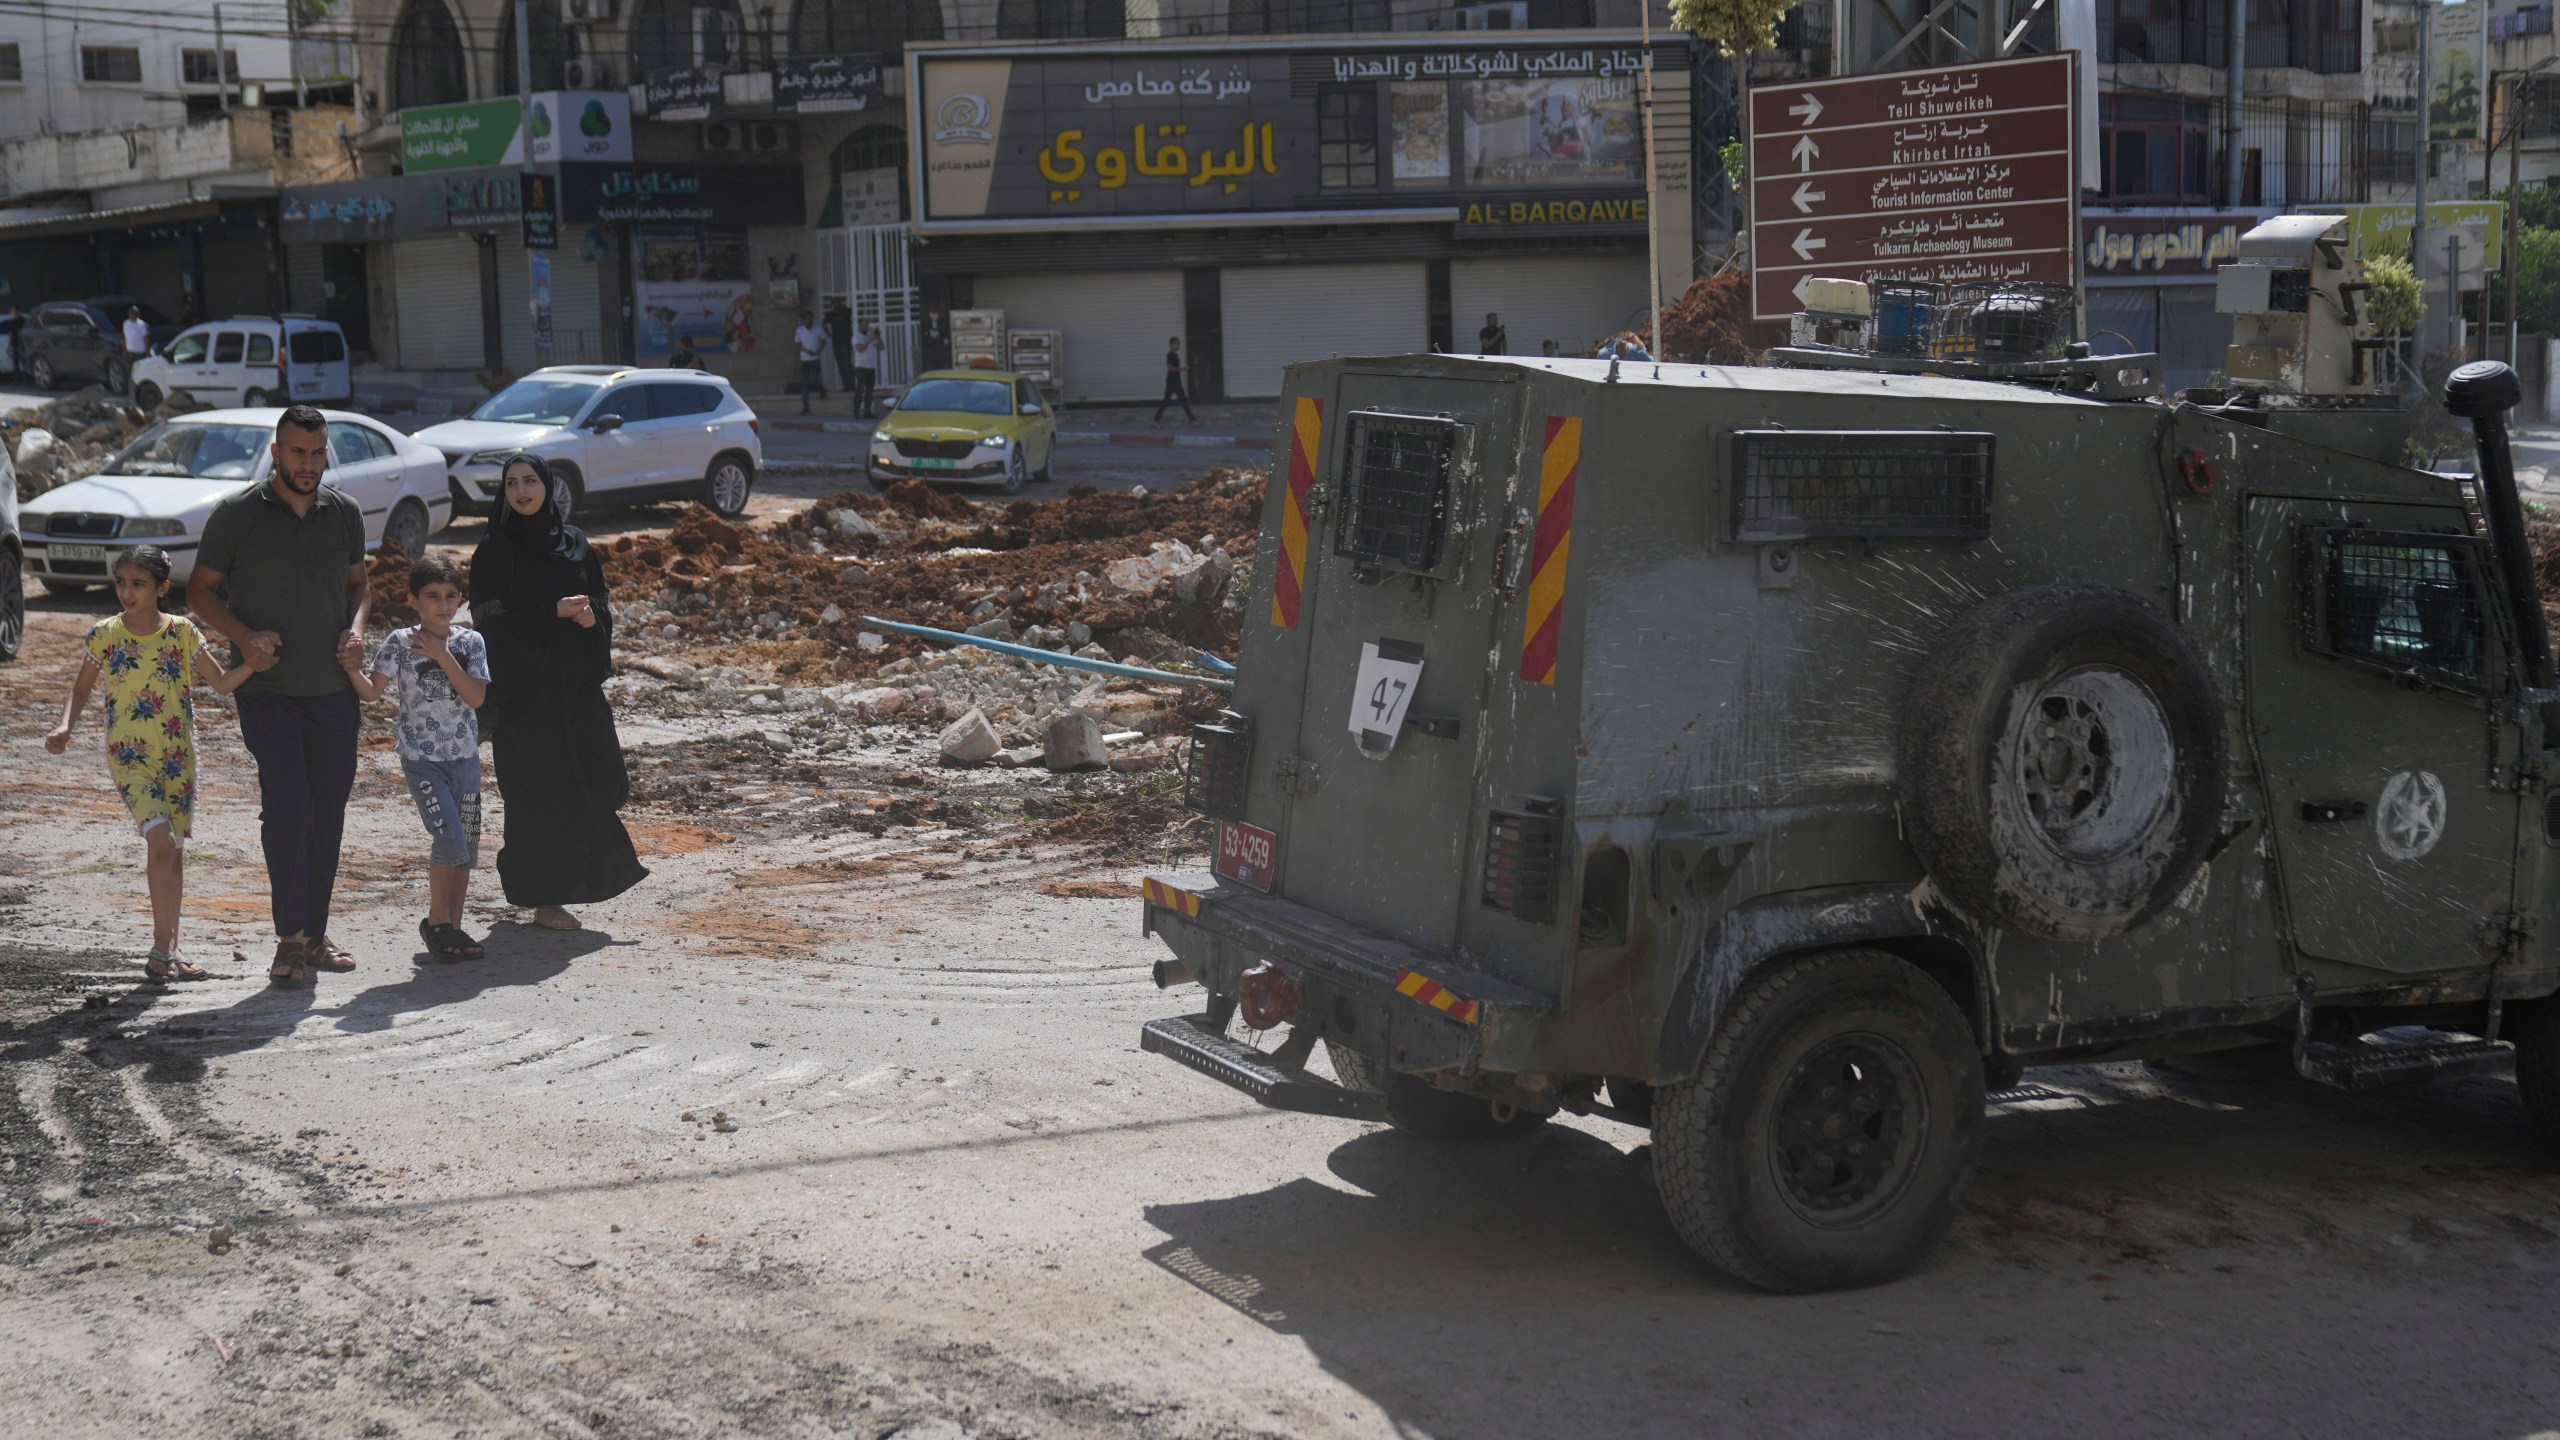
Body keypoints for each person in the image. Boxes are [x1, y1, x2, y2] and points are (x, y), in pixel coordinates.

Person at [187, 404, 371, 988]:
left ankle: (314, 934)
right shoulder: (237, 514)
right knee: (289, 808)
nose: (309, 464)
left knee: (328, 813)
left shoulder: (343, 512)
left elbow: (359, 584)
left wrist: (359, 629)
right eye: (298, 452)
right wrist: (242, 637)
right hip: (268, 691)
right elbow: (199, 592)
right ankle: (289, 941)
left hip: (334, 692)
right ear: (275, 452)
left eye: (318, 453)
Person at [44, 545, 254, 982]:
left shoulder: (183, 632)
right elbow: (80, 690)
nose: (126, 592)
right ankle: (162, 948)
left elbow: (220, 682)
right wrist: (65, 726)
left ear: (161, 588)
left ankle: (169, 950)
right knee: (160, 843)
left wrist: (256, 662)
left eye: (137, 583)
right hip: (129, 758)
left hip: (178, 757)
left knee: (173, 850)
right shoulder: (103, 635)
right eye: (121, 582)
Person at [469, 454, 647, 930]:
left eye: (530, 481)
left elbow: (601, 602)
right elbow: (488, 626)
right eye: (511, 483)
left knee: (596, 779)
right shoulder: (495, 551)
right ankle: (545, 899)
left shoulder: (574, 543)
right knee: (537, 795)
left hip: (575, 690)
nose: (521, 491)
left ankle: (579, 880)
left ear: (547, 486)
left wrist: (592, 620)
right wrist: (552, 612)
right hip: (527, 699)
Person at [341, 555, 490, 961]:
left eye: (451, 596)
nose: (443, 605)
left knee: (467, 848)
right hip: (422, 761)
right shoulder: (399, 642)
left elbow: (476, 697)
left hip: (465, 760)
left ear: (461, 599)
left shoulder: (469, 643)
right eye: (432, 596)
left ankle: (454, 930)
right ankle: (436, 922)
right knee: (449, 839)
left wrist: (443, 656)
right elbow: (372, 692)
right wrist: (351, 668)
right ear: (413, 600)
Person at [1155, 336, 1196, 424]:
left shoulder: (1176, 355)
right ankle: (1156, 420)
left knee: (1183, 400)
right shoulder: (1169, 355)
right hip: (1171, 381)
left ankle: (1192, 420)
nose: (1179, 345)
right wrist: (1182, 369)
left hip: (1177, 381)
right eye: (1177, 343)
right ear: (1172, 344)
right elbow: (1170, 368)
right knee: (1166, 401)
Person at [793, 309, 827, 413]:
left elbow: (824, 340)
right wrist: (807, 351)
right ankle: (806, 406)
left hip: (815, 359)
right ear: (803, 320)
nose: (809, 320)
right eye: (807, 319)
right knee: (805, 383)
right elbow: (797, 344)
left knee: (813, 379)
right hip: (805, 359)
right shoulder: (800, 330)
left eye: (810, 318)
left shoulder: (817, 329)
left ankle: (822, 390)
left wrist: (819, 350)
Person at [850, 319, 882, 418]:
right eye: (864, 325)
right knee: (860, 390)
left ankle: (867, 412)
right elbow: (860, 349)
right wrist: (870, 339)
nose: (865, 328)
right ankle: (856, 411)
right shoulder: (856, 336)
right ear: (859, 326)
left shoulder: (870, 337)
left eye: (867, 326)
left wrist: (878, 337)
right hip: (861, 367)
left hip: (871, 367)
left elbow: (881, 347)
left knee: (869, 391)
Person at [824, 300, 854, 404]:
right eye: (833, 303)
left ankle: (852, 385)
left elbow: (858, 312)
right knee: (841, 365)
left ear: (840, 303)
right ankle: (846, 385)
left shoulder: (846, 312)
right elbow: (824, 324)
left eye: (837, 303)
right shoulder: (830, 315)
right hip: (837, 342)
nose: (835, 305)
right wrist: (829, 334)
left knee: (847, 363)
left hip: (846, 341)